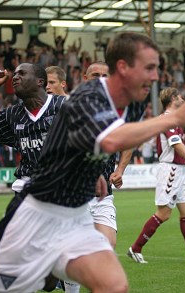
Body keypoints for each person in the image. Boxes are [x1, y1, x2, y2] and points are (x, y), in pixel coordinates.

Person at [0, 32, 185, 293]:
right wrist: (171, 118)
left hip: (76, 217)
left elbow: (93, 143)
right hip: (36, 215)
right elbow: (108, 140)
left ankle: (48, 274)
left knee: (114, 285)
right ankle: (44, 272)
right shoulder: (88, 95)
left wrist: (92, 170)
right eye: (149, 68)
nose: (155, 76)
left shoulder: (134, 103)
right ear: (123, 67)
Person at [63, 61, 131, 293]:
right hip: (73, 197)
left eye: (104, 75)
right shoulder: (69, 109)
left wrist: (120, 169)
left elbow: (129, 141)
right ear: (84, 78)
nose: (99, 79)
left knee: (107, 246)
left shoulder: (117, 111)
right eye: (94, 75)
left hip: (103, 196)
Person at [127, 87, 185, 264]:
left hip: (179, 170)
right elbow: (175, 144)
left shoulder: (176, 119)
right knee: (164, 213)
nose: (183, 98)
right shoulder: (167, 119)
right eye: (180, 96)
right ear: (173, 98)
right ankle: (135, 248)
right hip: (170, 170)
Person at [0, 63, 65, 197]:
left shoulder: (65, 105)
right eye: (14, 74)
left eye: (22, 73)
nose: (15, 77)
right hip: (27, 188)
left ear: (40, 82)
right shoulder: (11, 115)